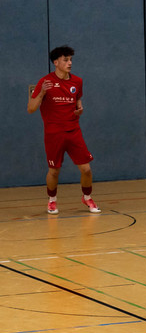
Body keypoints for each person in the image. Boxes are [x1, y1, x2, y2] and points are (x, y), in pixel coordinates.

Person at [27, 45, 100, 215]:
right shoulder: (44, 82)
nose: (70, 63)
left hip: (73, 131)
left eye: (71, 60)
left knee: (86, 170)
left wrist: (79, 109)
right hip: (53, 133)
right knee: (54, 171)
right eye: (66, 60)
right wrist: (42, 93)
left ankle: (87, 197)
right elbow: (31, 108)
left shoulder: (77, 81)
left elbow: (77, 101)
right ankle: (52, 200)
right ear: (56, 62)